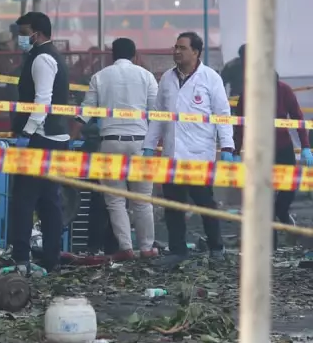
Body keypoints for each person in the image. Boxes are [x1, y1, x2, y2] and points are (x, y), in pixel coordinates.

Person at [143, 32, 235, 267]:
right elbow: (158, 116)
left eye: (182, 48)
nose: (176, 51)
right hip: (172, 154)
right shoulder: (166, 78)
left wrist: (227, 145)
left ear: (195, 52)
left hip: (198, 155)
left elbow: (222, 114)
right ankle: (177, 250)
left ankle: (216, 248)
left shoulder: (210, 78)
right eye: (175, 47)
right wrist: (149, 145)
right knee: (173, 205)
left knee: (206, 204)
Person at [80, 37, 159, 261]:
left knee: (115, 200)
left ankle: (125, 247)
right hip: (140, 142)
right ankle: (146, 248)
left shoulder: (100, 76)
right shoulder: (147, 76)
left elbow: (86, 112)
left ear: (111, 55)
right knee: (142, 199)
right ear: (135, 56)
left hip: (110, 142)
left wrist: (72, 134)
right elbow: (156, 112)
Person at [9, 12, 70, 274]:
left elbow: (42, 100)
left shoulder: (42, 58)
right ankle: (52, 258)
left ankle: (21, 258)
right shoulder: (48, 55)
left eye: (24, 32)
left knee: (24, 200)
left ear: (38, 32)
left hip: (41, 139)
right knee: (48, 201)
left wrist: (27, 132)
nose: (21, 38)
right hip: (55, 139)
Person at [233, 68, 313, 248]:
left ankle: (284, 216)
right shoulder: (247, 95)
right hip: (259, 152)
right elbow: (240, 125)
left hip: (283, 149)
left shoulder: (285, 91)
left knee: (286, 194)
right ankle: (271, 245)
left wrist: (306, 147)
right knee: (264, 198)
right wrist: (235, 151)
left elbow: (298, 119)